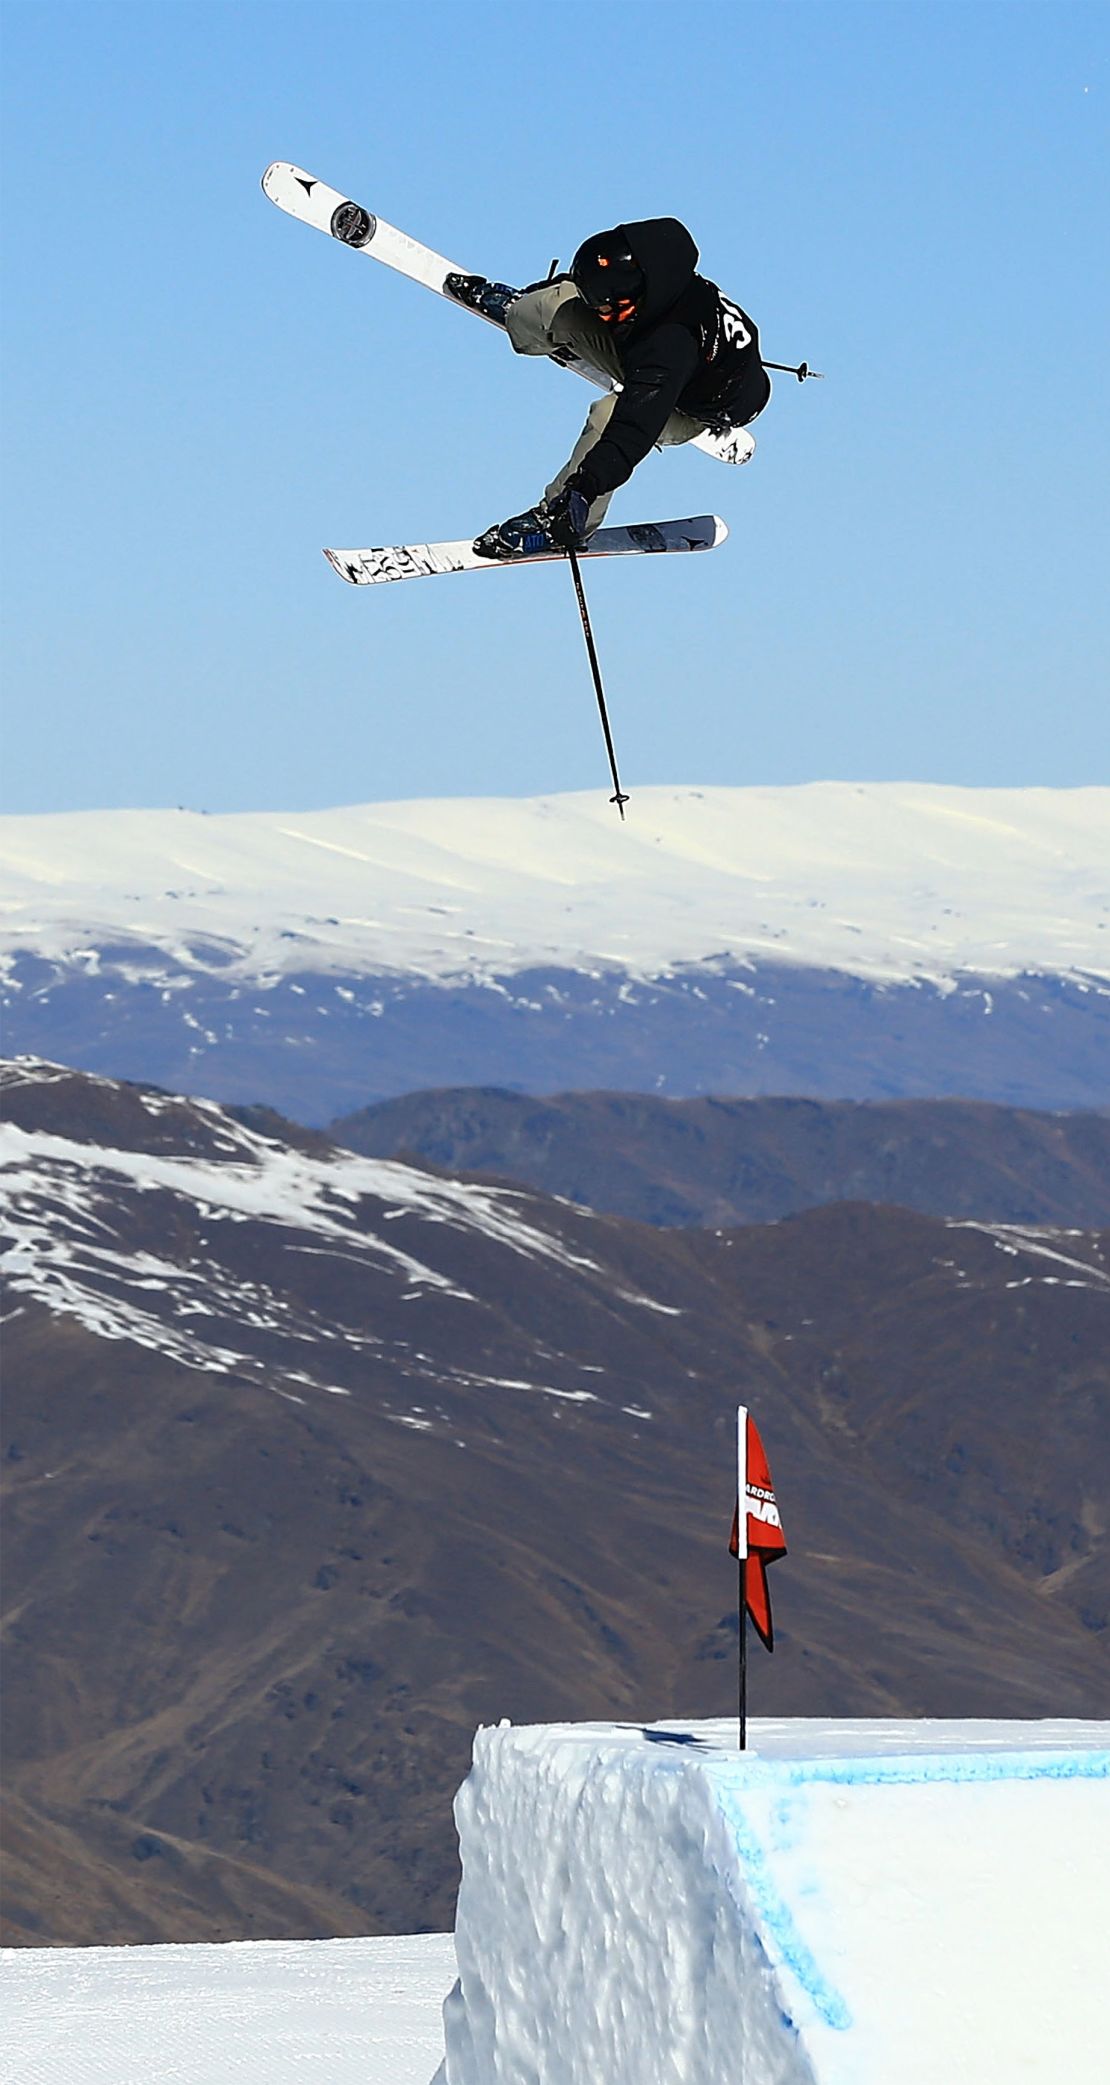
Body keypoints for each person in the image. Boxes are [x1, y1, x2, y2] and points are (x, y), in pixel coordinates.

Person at [445, 218, 771, 559]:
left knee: (606, 417)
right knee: (546, 309)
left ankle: (557, 520)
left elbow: (631, 431)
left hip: (692, 405)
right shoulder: (655, 269)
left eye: (603, 308)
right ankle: (527, 319)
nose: (597, 313)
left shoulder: (668, 347)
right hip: (652, 354)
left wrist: (583, 490)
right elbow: (592, 285)